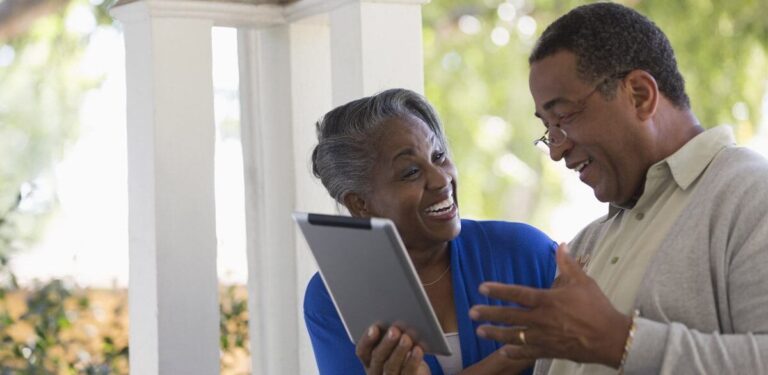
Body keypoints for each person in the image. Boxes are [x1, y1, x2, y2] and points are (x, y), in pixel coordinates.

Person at [469, 3, 768, 375]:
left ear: (640, 95)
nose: (557, 150)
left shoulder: (751, 195)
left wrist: (618, 341)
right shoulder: (586, 246)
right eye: (548, 129)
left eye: (562, 117)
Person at [304, 88, 557, 375]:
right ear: (360, 203)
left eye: (438, 156)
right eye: (411, 172)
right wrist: (519, 354)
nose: (441, 179)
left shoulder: (525, 253)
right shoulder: (333, 296)